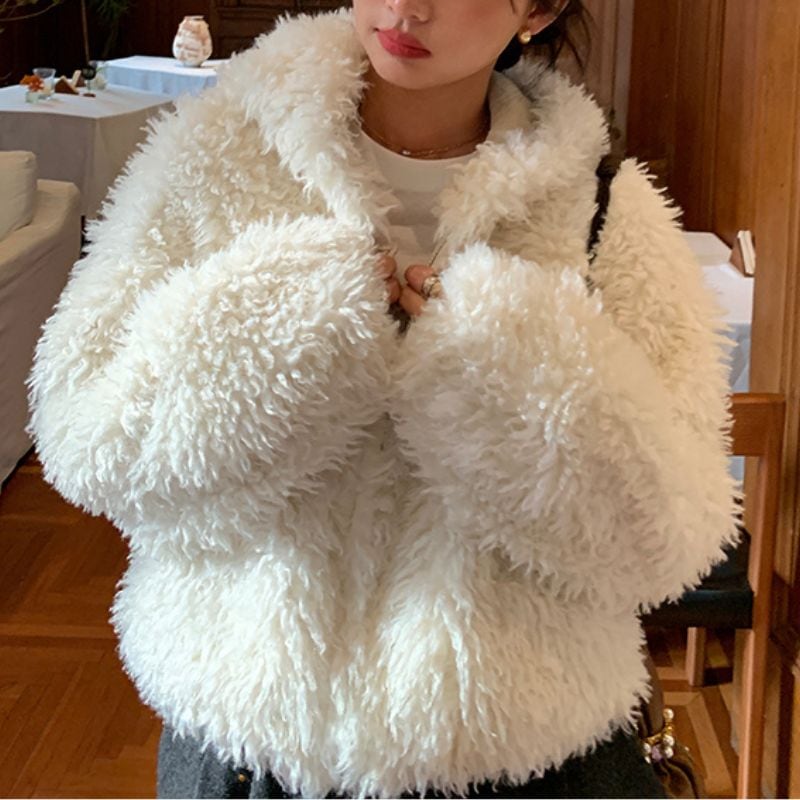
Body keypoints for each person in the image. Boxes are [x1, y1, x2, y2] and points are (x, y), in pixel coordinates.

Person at [25, 0, 741, 798]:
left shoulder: (602, 204)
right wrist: (293, 322)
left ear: (538, 10)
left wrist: (502, 359)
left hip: (516, 756)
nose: (407, 7)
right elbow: (89, 438)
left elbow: (672, 531)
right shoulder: (218, 150)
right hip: (251, 746)